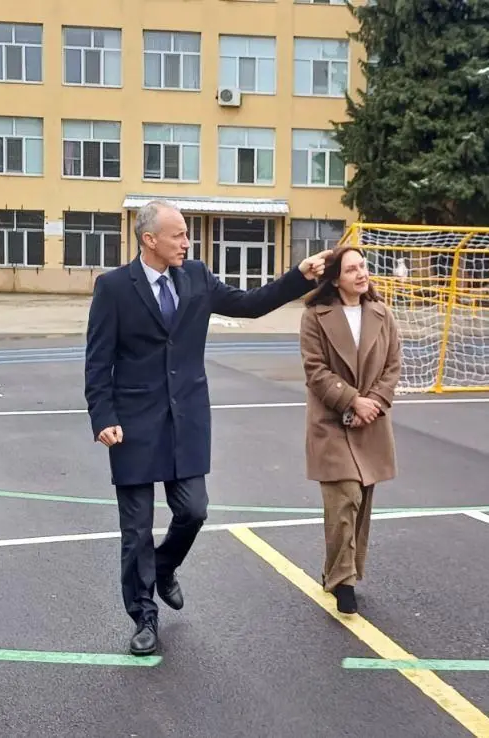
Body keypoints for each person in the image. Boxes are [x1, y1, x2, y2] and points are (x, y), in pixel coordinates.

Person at [84, 200, 330, 655]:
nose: (187, 242)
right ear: (149, 240)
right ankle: (144, 616)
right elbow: (98, 361)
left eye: (186, 234)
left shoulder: (196, 276)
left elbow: (250, 304)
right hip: (133, 425)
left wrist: (299, 276)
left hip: (187, 420)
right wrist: (104, 417)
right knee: (136, 530)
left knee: (194, 511)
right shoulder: (114, 288)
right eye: (178, 234)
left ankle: (163, 566)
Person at [298, 246, 400, 614]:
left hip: (370, 422)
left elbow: (392, 365)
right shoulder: (315, 316)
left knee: (361, 504)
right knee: (346, 498)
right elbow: (315, 370)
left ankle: (340, 570)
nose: (361, 273)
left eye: (363, 266)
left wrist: (373, 404)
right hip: (331, 421)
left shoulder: (382, 314)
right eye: (351, 269)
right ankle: (344, 582)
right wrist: (352, 401)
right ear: (335, 279)